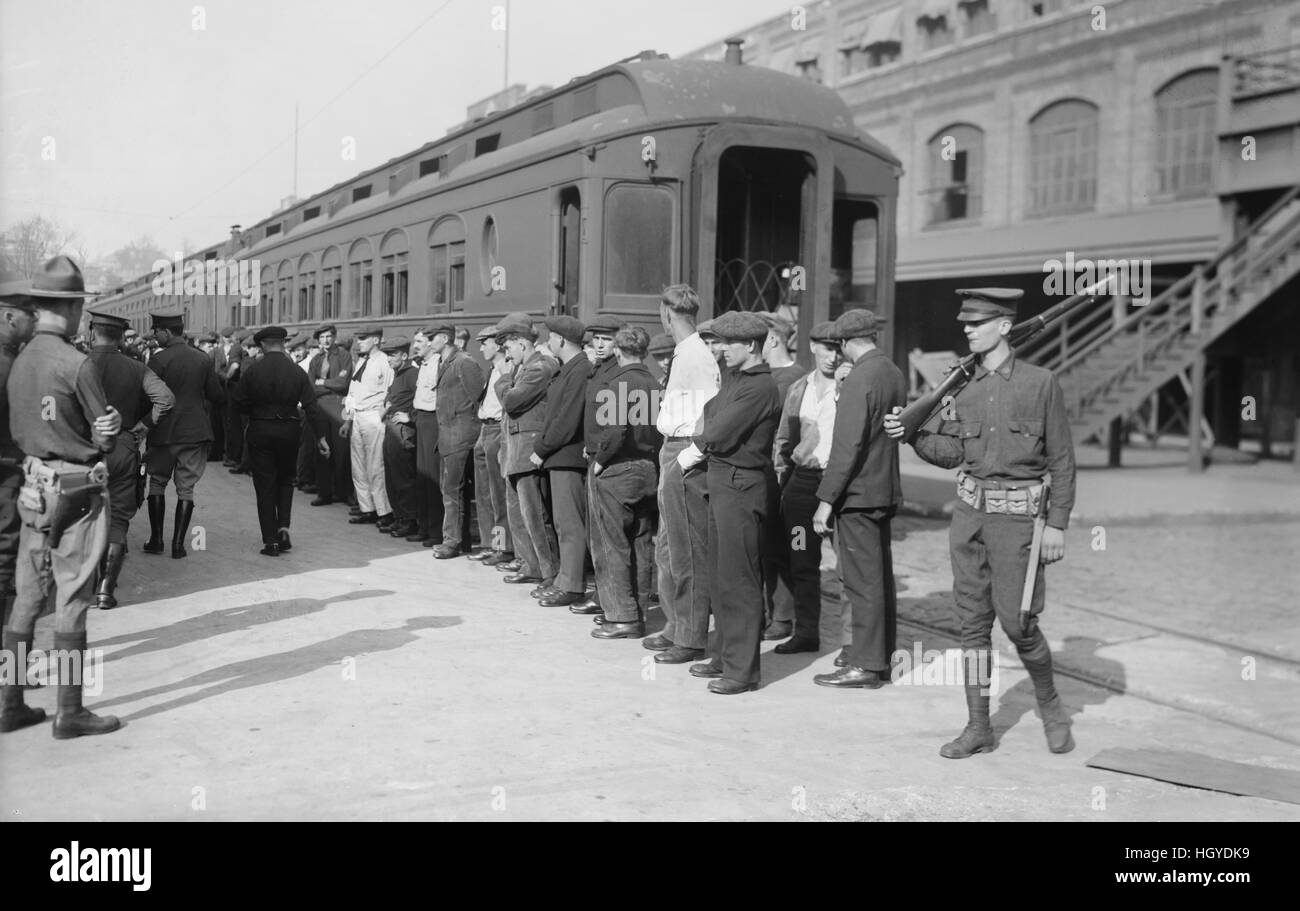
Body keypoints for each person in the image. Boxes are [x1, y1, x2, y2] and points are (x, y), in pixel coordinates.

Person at [884, 288, 1076, 757]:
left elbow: (1063, 461)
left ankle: (1049, 703)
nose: (966, 329)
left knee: (1019, 622)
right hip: (970, 517)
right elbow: (953, 455)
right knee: (972, 624)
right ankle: (978, 727)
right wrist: (910, 435)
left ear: (1006, 326)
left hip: (1018, 523)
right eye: (965, 323)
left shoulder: (1040, 383)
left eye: (977, 323)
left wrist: (1057, 524)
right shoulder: (961, 386)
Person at [1, 256, 122, 737]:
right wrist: (107, 430)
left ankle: (9, 703)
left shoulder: (20, 359)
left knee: (26, 598)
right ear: (72, 307)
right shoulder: (77, 363)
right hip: (77, 490)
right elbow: (105, 438)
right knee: (72, 600)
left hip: (33, 489)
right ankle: (70, 711)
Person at [676, 311, 781, 694]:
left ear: (750, 346)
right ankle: (724, 656)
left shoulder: (759, 387)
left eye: (726, 344)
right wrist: (709, 431)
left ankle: (742, 671)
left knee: (740, 579)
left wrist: (706, 437)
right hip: (724, 480)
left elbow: (716, 431)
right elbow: (709, 413)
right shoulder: (738, 381)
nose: (719, 349)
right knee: (721, 576)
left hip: (741, 484)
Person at [806, 309, 907, 692]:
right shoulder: (892, 372)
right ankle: (878, 657)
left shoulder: (860, 377)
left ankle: (864, 664)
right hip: (883, 489)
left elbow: (847, 446)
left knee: (860, 582)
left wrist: (826, 499)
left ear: (847, 343)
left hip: (857, 493)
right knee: (879, 578)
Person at [650, 285, 720, 664]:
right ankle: (676, 626)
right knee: (668, 548)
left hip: (684, 452)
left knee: (688, 551)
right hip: (672, 450)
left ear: (666, 314)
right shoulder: (686, 353)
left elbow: (710, 416)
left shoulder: (695, 356)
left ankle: (691, 637)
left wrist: (687, 461)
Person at [86, 311, 175, 609]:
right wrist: (144, 425)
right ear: (122, 337)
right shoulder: (137, 368)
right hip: (123, 445)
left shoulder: (78, 365)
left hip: (83, 449)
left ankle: (81, 585)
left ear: (91, 333)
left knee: (82, 514)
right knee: (119, 519)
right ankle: (105, 590)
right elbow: (166, 399)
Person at [771, 320, 842, 654]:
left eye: (838, 348)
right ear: (813, 346)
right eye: (826, 348)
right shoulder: (799, 388)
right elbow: (784, 438)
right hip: (803, 486)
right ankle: (807, 631)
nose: (832, 356)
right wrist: (783, 481)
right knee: (801, 557)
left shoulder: (850, 387)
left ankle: (855, 646)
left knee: (848, 566)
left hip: (841, 484)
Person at [588, 327, 662, 638]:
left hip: (619, 470)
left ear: (618, 351)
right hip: (649, 468)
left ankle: (620, 616)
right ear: (644, 352)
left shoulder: (618, 383)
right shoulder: (655, 385)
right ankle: (638, 613)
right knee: (641, 542)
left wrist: (600, 461)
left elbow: (615, 431)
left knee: (611, 544)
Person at [233, 327, 330, 556]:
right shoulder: (297, 372)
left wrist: (254, 411)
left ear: (263, 345)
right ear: (283, 344)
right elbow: (311, 408)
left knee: (265, 484)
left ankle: (270, 541)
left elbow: (237, 403)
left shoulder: (254, 371)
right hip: (289, 430)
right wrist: (321, 437)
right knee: (286, 480)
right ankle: (283, 528)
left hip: (261, 429)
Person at [143, 312, 225, 559]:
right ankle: (178, 546)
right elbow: (217, 396)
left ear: (167, 332)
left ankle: (156, 540)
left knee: (157, 483)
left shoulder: (158, 361)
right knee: (186, 488)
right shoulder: (201, 359)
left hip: (163, 433)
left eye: (156, 331)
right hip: (193, 432)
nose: (154, 336)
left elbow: (145, 398)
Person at [529, 315, 589, 603]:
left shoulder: (578, 370)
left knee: (570, 524)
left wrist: (541, 449)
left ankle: (572, 584)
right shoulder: (572, 368)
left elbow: (566, 419)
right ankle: (566, 579)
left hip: (567, 455)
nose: (548, 341)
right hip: (561, 456)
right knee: (564, 522)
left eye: (551, 336)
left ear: (562, 340)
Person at [498, 313, 559, 587]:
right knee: (520, 513)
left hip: (527, 449)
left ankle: (550, 571)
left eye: (508, 348)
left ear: (522, 343)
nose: (506, 355)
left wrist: (503, 381)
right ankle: (530, 564)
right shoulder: (522, 368)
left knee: (536, 515)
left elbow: (512, 401)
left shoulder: (540, 367)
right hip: (514, 450)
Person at [574, 315, 624, 616]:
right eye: (597, 339)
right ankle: (601, 592)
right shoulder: (599, 369)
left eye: (607, 339)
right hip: (593, 454)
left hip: (606, 461)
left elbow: (618, 424)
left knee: (607, 535)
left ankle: (609, 598)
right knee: (596, 531)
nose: (601, 344)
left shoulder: (617, 372)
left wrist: (601, 457)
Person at [0, 282, 38, 631]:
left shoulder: (13, 358)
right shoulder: (6, 363)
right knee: (5, 562)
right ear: (10, 317)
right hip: (6, 477)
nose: (36, 322)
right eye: (31, 316)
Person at [432, 324, 486, 558]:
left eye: (431, 338)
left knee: (452, 491)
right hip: (449, 436)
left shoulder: (464, 362)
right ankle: (458, 540)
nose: (428, 342)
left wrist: (466, 429)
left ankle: (451, 542)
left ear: (444, 338)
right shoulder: (445, 362)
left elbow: (477, 400)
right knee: (452, 490)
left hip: (460, 436)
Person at [470, 325, 514, 566]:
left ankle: (503, 547)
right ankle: (489, 543)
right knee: (484, 492)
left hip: (497, 429)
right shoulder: (493, 369)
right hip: (484, 429)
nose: (481, 347)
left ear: (497, 344)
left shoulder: (505, 369)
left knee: (497, 494)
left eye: (484, 342)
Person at [342, 326, 394, 525]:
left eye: (364, 338)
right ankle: (367, 508)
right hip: (358, 416)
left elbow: (391, 390)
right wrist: (348, 419)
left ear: (375, 340)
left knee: (375, 466)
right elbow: (353, 391)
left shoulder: (384, 362)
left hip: (373, 415)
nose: (359, 342)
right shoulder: (362, 361)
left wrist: (382, 412)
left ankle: (384, 512)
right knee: (359, 465)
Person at [305, 324, 353, 508]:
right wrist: (325, 386)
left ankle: (343, 492)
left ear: (334, 337)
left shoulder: (343, 356)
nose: (325, 341)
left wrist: (323, 382)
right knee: (322, 449)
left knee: (342, 450)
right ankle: (324, 493)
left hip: (339, 405)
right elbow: (310, 386)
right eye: (322, 338)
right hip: (321, 407)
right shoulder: (315, 360)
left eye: (329, 337)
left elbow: (343, 383)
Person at [379, 335, 419, 539]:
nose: (389, 359)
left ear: (404, 355)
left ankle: (410, 520)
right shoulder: (398, 373)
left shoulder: (412, 374)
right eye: (387, 355)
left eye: (392, 355)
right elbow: (394, 396)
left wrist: (409, 417)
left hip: (403, 433)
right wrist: (386, 405)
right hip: (392, 430)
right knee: (392, 476)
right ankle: (400, 517)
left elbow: (423, 401)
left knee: (403, 477)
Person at [410, 326, 445, 545]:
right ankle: (424, 526)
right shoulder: (422, 365)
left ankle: (435, 532)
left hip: (433, 421)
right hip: (421, 420)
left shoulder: (438, 365)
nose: (416, 346)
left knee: (432, 477)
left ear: (431, 344)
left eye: (420, 343)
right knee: (421, 477)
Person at [215, 326, 244, 469]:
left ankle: (233, 457)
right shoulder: (239, 348)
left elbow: (235, 366)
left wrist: (226, 376)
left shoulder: (235, 349)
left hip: (233, 390)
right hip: (239, 391)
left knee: (233, 425)